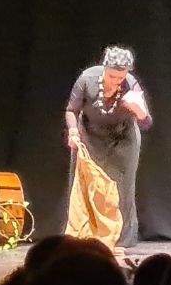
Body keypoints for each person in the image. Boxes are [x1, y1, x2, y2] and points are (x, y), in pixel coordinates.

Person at [65, 45, 152, 249]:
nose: (116, 81)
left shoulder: (131, 85)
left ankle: (121, 239)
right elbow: (71, 110)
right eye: (112, 76)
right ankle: (85, 235)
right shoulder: (87, 79)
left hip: (123, 137)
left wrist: (139, 111)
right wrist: (73, 132)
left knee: (122, 187)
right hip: (89, 135)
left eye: (121, 77)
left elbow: (146, 122)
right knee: (86, 183)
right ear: (104, 68)